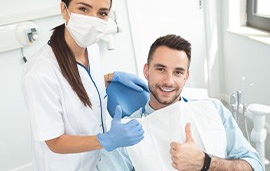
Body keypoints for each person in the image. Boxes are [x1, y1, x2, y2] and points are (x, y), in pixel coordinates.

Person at [21, 0, 146, 170]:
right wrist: (106, 140)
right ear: (64, 9)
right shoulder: (40, 74)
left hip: (100, 162)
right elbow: (54, 141)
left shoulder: (92, 49)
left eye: (102, 13)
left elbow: (79, 84)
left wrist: (109, 79)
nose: (93, 19)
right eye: (83, 9)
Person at [100, 34, 264, 170]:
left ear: (186, 76)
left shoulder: (214, 109)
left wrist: (205, 162)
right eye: (160, 69)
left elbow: (255, 166)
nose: (168, 81)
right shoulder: (124, 133)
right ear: (146, 71)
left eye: (178, 72)